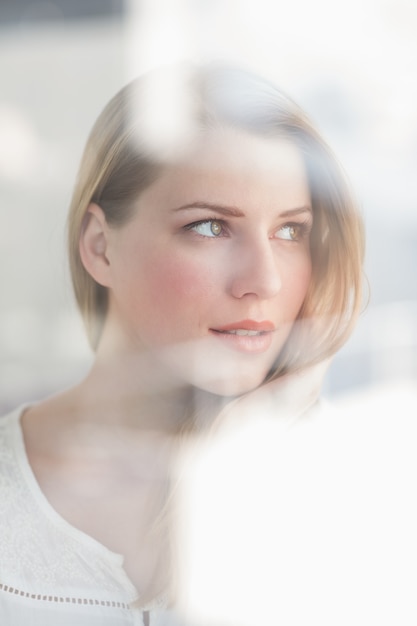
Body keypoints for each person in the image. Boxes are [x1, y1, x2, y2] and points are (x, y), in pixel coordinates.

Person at [0, 64, 364, 625]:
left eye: (291, 231)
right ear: (100, 247)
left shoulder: (362, 491)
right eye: (211, 227)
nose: (263, 281)